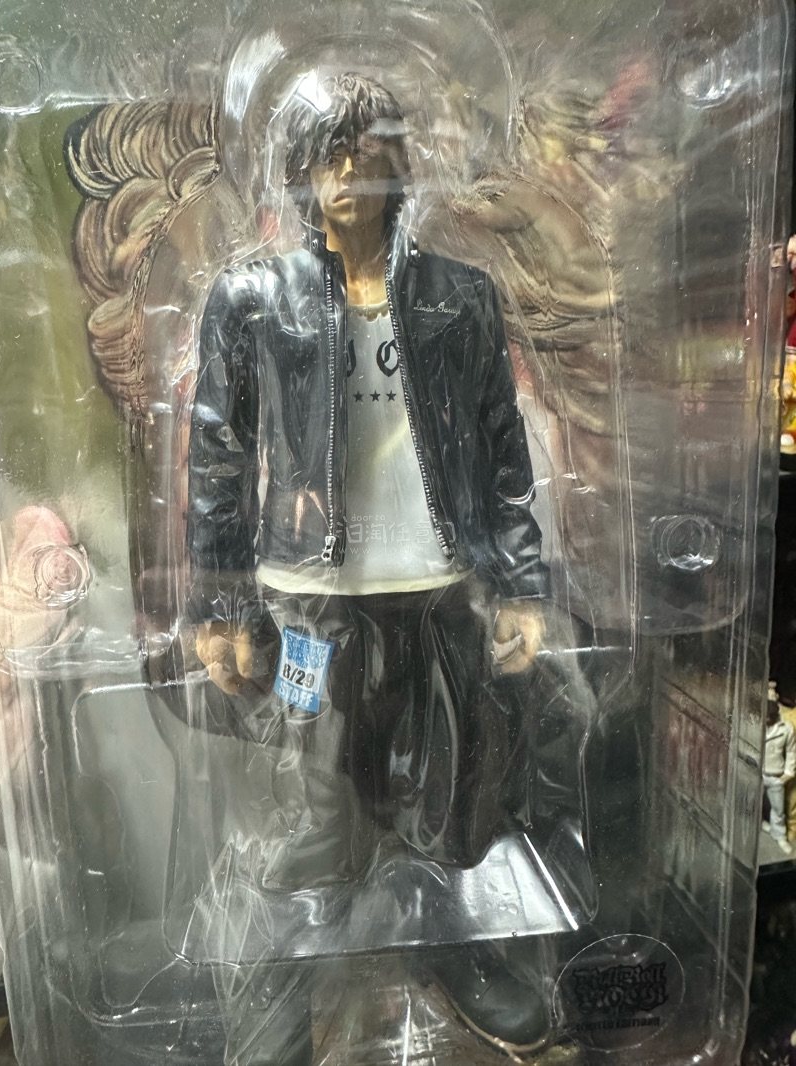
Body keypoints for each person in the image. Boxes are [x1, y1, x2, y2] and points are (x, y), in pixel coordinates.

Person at [187, 70, 567, 1062]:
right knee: (311, 814)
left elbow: (504, 451)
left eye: (371, 151)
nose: (352, 173)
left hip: (438, 594)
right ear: (301, 167)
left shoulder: (459, 298)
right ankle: (287, 978)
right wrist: (221, 603)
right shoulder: (252, 298)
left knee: (454, 795)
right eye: (333, 153)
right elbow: (218, 457)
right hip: (309, 609)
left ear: (401, 164)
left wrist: (522, 586)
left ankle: (450, 947)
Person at [763, 692, 796, 856]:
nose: (766, 720)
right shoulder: (755, 723)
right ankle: (761, 823)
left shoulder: (786, 728)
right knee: (752, 804)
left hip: (776, 774)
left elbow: (791, 752)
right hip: (757, 772)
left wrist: (788, 773)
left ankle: (779, 835)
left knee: (778, 808)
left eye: (769, 717)